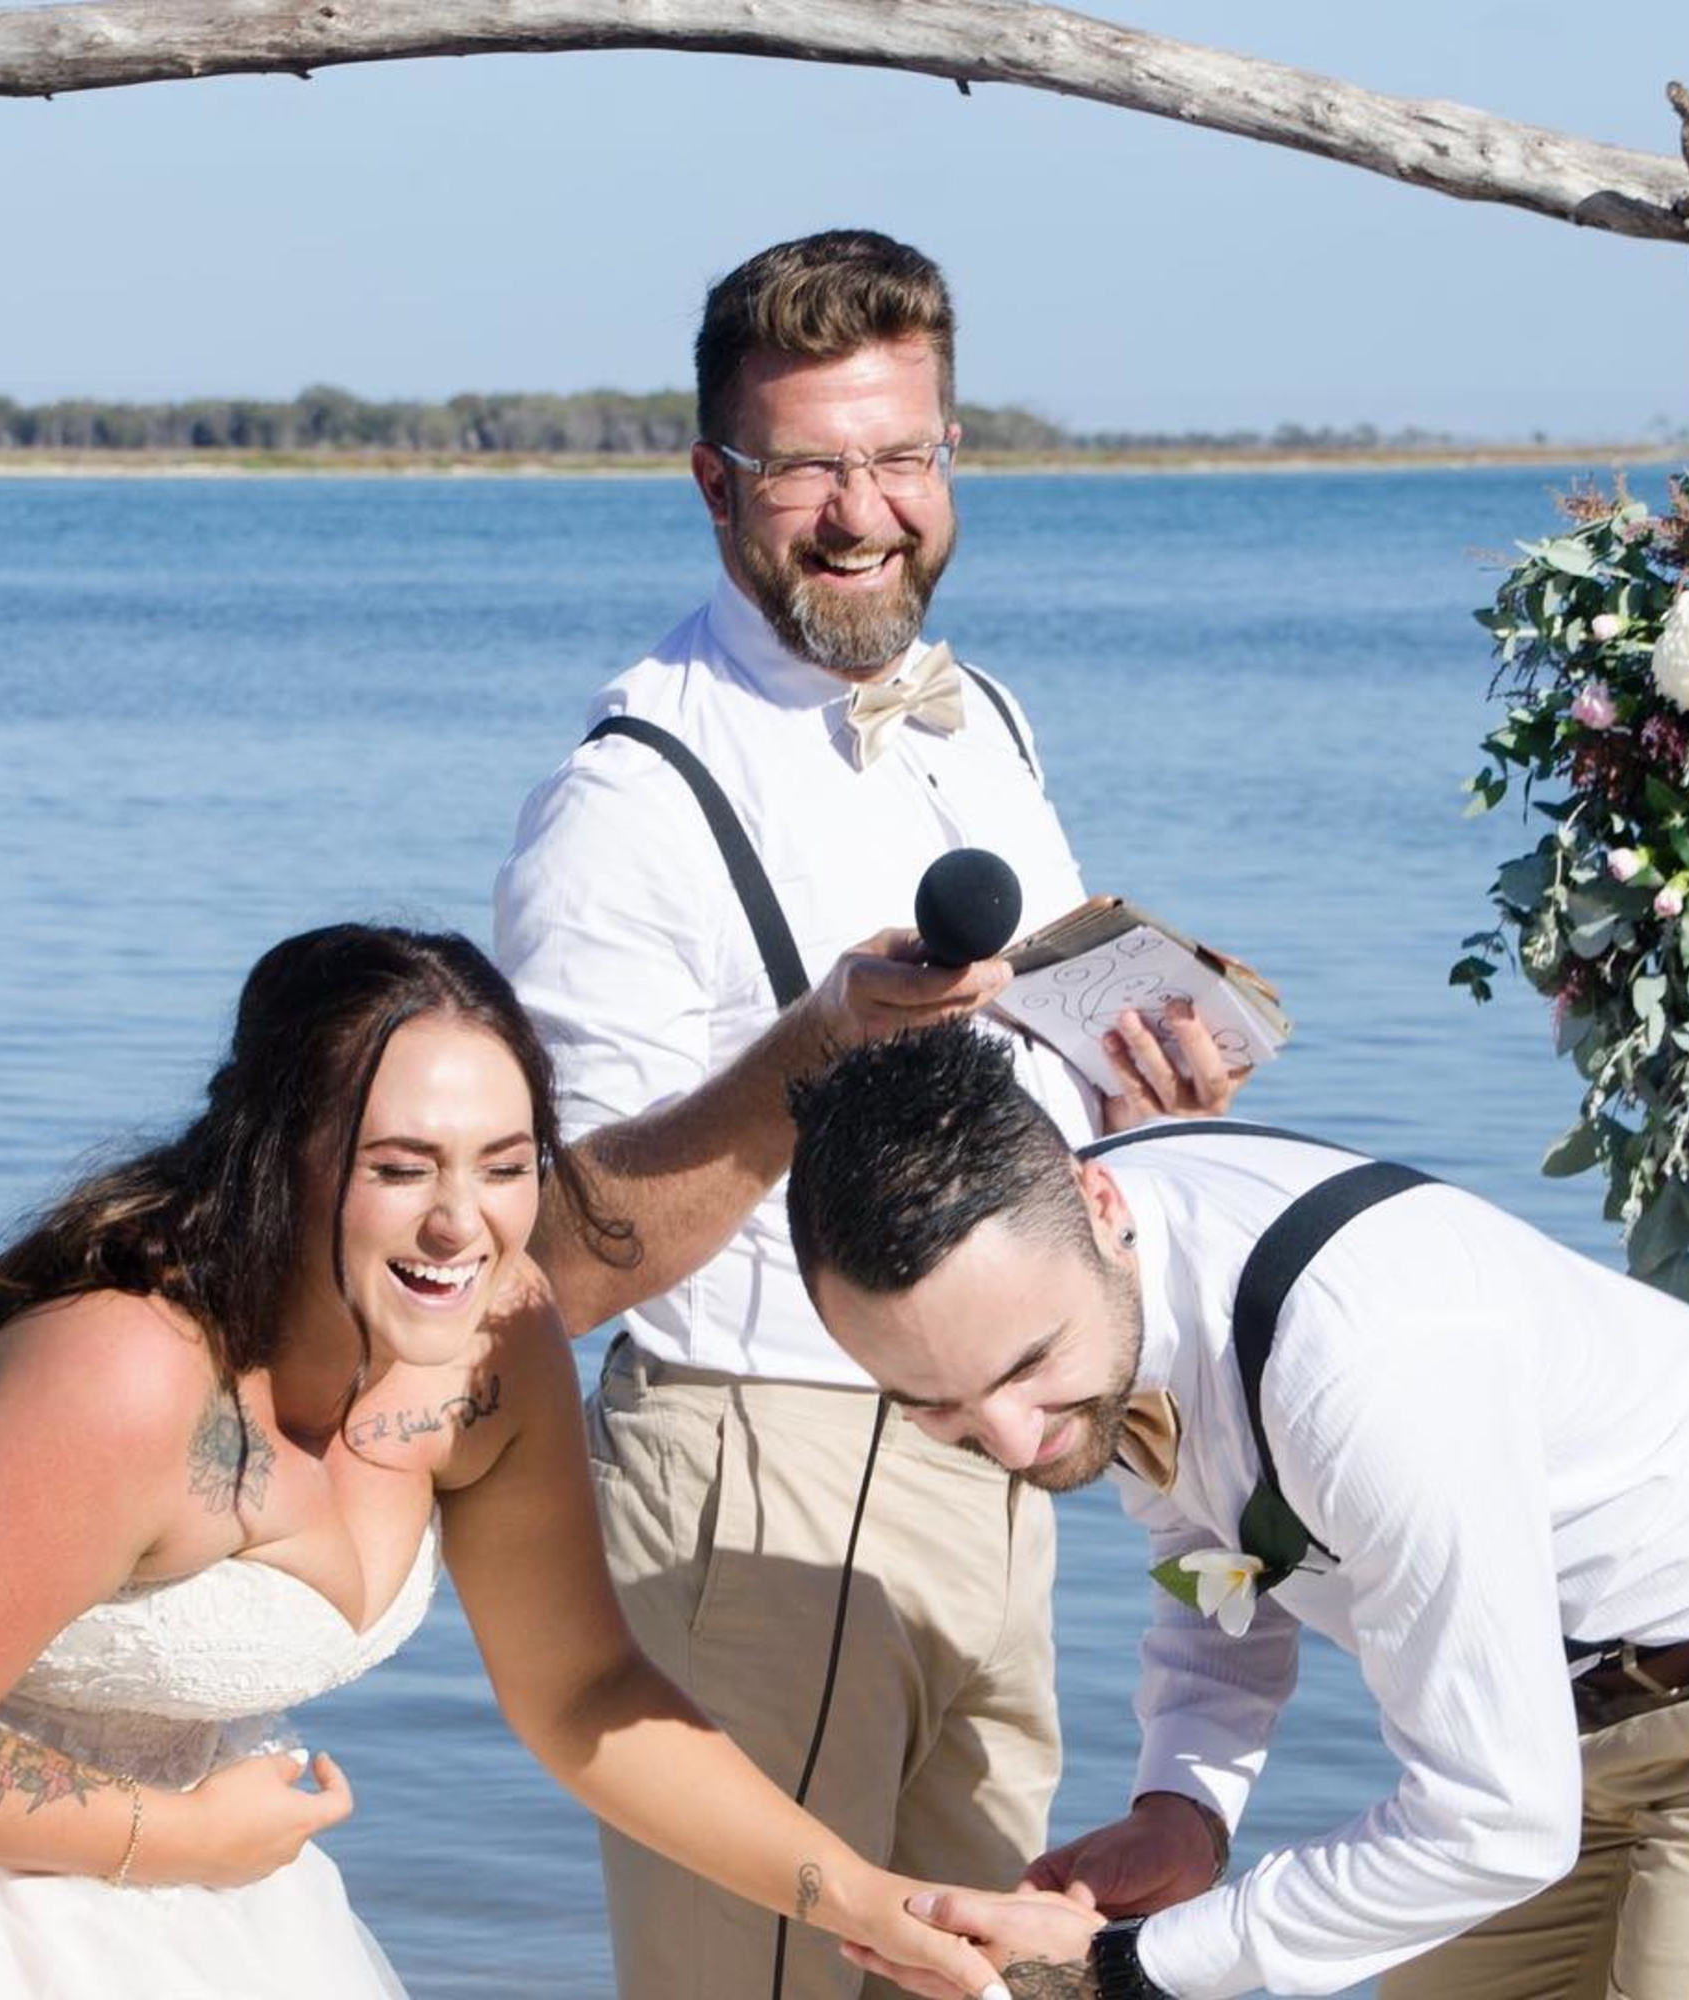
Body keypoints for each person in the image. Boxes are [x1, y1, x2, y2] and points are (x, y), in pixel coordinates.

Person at [494, 229, 1241, 1997]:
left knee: (1004, 1973)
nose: (861, 513)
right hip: (763, 1477)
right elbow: (570, 1262)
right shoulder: (624, 805)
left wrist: (1154, 1093)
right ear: (713, 482)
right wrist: (813, 1044)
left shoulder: (980, 718)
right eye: (808, 466)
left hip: (1003, 1465)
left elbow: (1048, 1080)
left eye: (901, 457)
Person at [0, 925, 1016, 2000]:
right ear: (275, 1152)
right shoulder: (127, 1374)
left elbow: (584, 1694)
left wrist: (867, 1901)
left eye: (505, 1166)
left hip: (210, 1897)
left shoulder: (493, 1346)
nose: (461, 1224)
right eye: (400, 1168)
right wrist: (165, 1835)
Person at [782, 1022, 1689, 2000]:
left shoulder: (1364, 1375)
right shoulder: (1099, 1279)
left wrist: (1128, 1966)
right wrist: (1182, 1803)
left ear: (1095, 1201)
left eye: (1033, 1368)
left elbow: (1495, 1819)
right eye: (936, 1408)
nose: (1018, 1442)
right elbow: (1214, 1546)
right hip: (1548, 1714)